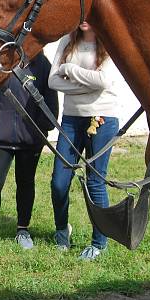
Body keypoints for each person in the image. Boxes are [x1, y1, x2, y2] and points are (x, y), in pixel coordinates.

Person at [0, 51, 58, 249]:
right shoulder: (1, 62)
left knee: (25, 184)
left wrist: (38, 129)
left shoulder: (42, 65)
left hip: (30, 141)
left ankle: (23, 230)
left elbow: (51, 105)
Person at [48, 21, 120, 261]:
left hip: (102, 118)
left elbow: (105, 82)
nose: (84, 18)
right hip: (71, 119)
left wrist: (69, 69)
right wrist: (87, 85)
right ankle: (61, 231)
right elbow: (52, 81)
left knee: (95, 182)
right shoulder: (67, 42)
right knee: (59, 182)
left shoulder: (108, 42)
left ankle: (98, 243)